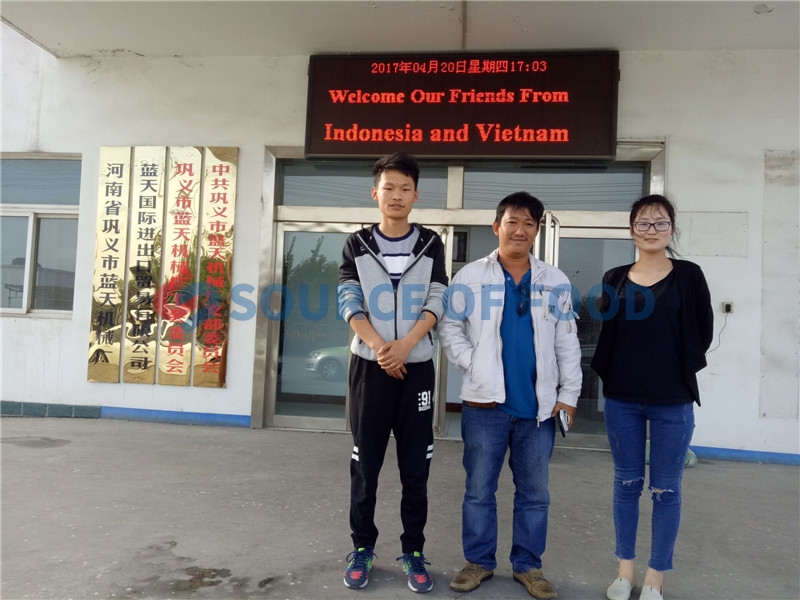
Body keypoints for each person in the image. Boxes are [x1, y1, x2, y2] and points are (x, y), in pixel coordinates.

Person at [438, 191, 582, 600]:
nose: (520, 230)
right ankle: (479, 561)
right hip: (485, 405)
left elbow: (567, 341)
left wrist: (568, 394)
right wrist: (474, 361)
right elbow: (450, 327)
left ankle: (528, 566)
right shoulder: (469, 276)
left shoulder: (554, 280)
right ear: (496, 226)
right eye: (512, 222)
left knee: (535, 494)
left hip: (536, 409)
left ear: (537, 231)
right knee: (479, 489)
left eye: (529, 224)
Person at [590, 194, 713, 600]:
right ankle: (625, 572)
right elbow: (608, 334)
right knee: (626, 484)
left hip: (672, 399)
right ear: (631, 230)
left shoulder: (689, 276)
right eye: (643, 223)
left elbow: (703, 330)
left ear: (671, 229)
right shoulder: (615, 277)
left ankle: (656, 576)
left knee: (667, 489)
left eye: (660, 223)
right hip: (623, 398)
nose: (651, 230)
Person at [337, 152, 448, 593]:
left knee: (415, 468)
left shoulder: (431, 243)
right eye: (389, 188)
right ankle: (362, 547)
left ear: (416, 195)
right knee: (366, 465)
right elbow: (349, 300)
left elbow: (437, 298)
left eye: (405, 188)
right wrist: (383, 348)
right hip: (370, 367)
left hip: (416, 367)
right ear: (375, 193)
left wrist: (405, 346)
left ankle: (414, 550)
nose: (397, 195)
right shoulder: (357, 244)